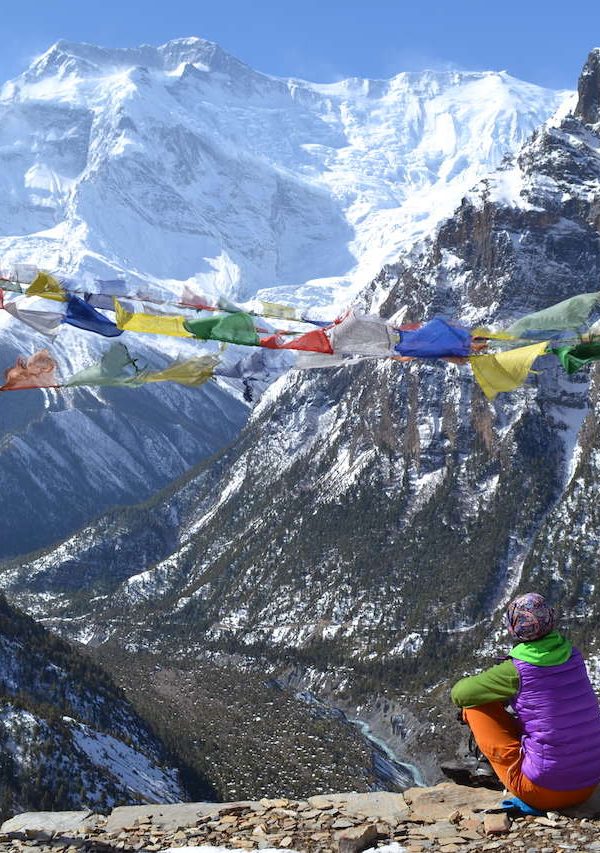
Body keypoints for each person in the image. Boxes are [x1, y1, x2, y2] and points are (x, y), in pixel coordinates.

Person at [451, 592, 600, 810]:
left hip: (545, 791)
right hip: (589, 784)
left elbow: (460, 693)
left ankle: (486, 765)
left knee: (474, 706)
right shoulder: (573, 656)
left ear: (514, 628)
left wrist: (496, 690)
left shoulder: (517, 670)